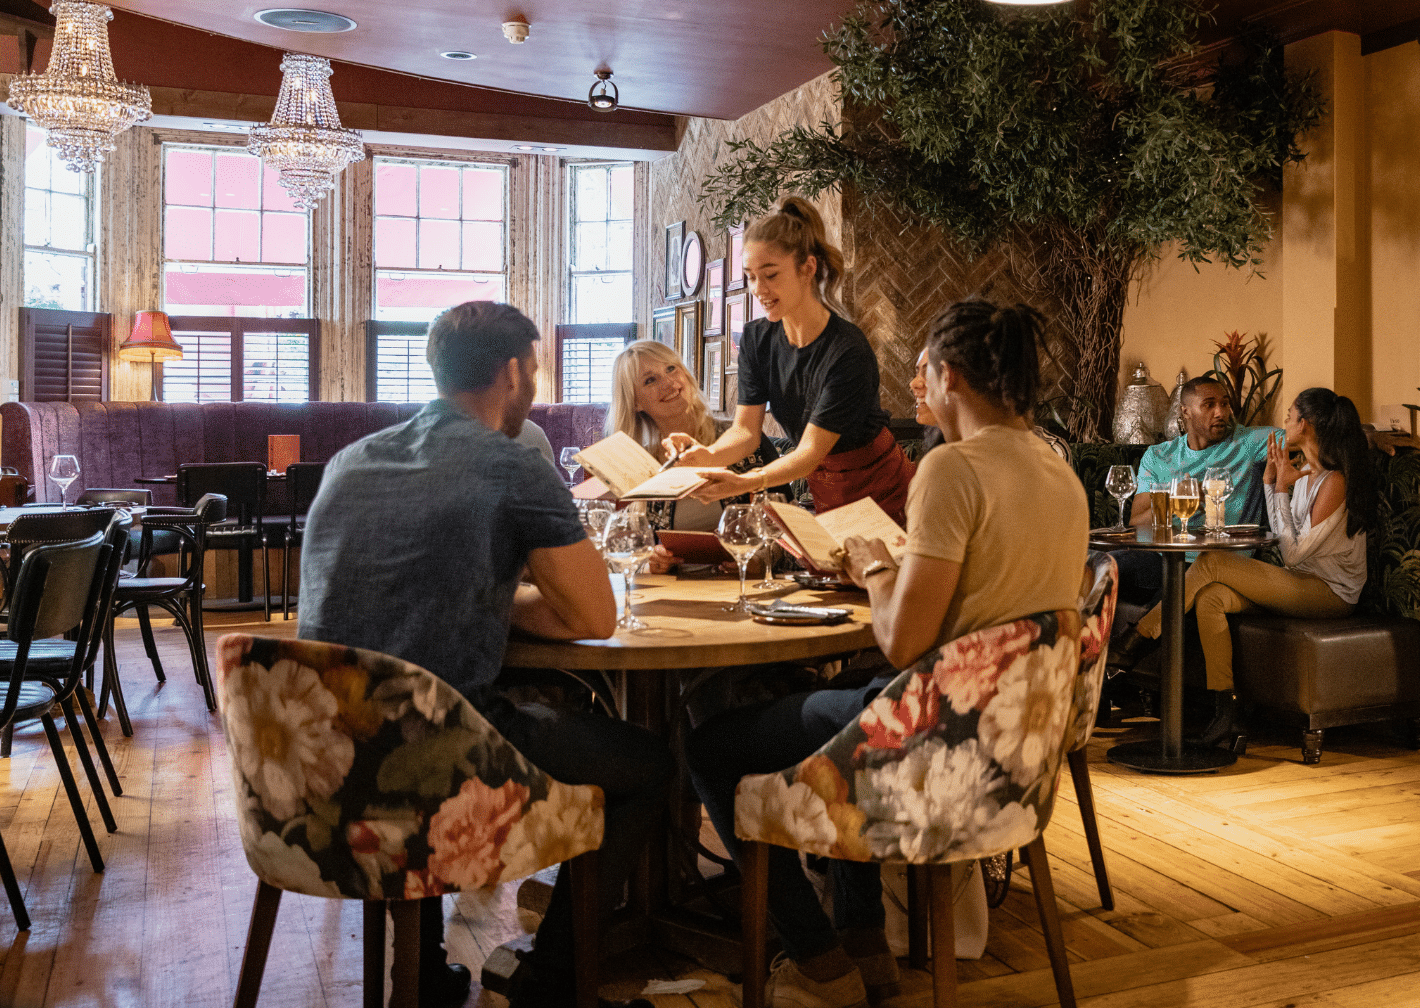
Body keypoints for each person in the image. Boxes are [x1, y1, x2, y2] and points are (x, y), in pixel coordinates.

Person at [686, 300, 1088, 1008]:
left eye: (924, 369)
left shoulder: (950, 469)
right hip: (1011, 755)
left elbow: (904, 642)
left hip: (933, 748)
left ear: (952, 376)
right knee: (838, 709)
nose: (914, 385)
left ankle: (818, 959)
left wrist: (873, 565)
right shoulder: (1060, 472)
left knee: (712, 745)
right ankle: (865, 941)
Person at [298, 301, 669, 1008]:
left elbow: (393, 598)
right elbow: (592, 614)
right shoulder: (510, 467)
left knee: (427, 694)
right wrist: (511, 605)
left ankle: (425, 973)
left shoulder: (350, 462)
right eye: (534, 367)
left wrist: (485, 602)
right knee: (650, 766)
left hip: (323, 765)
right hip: (441, 759)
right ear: (513, 372)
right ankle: (555, 981)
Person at [1132, 387, 1376, 747]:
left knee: (1213, 561)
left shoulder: (1333, 482)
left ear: (1304, 426)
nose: (1284, 423)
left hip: (1330, 594)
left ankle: (1139, 637)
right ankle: (1227, 711)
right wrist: (1272, 482)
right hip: (1300, 582)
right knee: (1211, 597)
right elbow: (1287, 535)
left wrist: (1277, 489)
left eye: (1289, 416)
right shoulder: (1306, 474)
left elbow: (1292, 553)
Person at [667, 197, 915, 526]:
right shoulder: (757, 338)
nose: (758, 288)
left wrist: (747, 481)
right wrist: (707, 455)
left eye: (770, 275)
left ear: (807, 268)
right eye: (751, 277)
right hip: (826, 489)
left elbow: (810, 453)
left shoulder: (846, 349)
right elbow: (745, 431)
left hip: (885, 491)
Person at [605, 340, 787, 572]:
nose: (669, 383)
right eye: (650, 380)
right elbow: (616, 552)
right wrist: (648, 564)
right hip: (669, 595)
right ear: (635, 402)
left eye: (671, 368)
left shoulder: (743, 438)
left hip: (745, 588)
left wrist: (759, 561)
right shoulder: (640, 463)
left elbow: (789, 522)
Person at [1118, 377, 1276, 609]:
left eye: (1225, 404)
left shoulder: (1249, 443)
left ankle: (1130, 641)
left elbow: (1310, 436)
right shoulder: (1158, 455)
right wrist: (1178, 499)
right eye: (1209, 405)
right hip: (1160, 559)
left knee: (1167, 600)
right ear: (1186, 412)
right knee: (1103, 567)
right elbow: (1137, 523)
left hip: (1217, 563)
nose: (1220, 412)